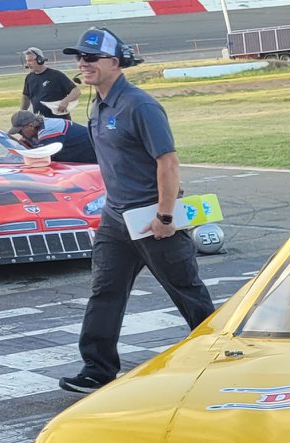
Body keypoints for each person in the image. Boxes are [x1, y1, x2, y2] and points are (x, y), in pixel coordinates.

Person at [58, 26, 213, 395]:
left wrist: (165, 216)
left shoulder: (139, 105)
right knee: (104, 292)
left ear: (115, 62)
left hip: (152, 219)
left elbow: (168, 162)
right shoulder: (98, 104)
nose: (83, 64)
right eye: (80, 58)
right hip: (116, 219)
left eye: (91, 58)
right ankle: (97, 370)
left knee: (187, 292)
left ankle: (222, 357)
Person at [10, 109, 96, 164]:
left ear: (31, 126)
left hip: (93, 155)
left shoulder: (48, 132)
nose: (20, 134)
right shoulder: (45, 124)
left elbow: (42, 158)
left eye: (20, 131)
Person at [20, 47, 78, 116]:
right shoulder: (29, 78)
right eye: (27, 61)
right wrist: (21, 113)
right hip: (40, 120)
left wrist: (66, 101)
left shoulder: (56, 75)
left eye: (30, 61)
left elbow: (76, 91)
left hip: (58, 119)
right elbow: (26, 96)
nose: (28, 64)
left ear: (40, 60)